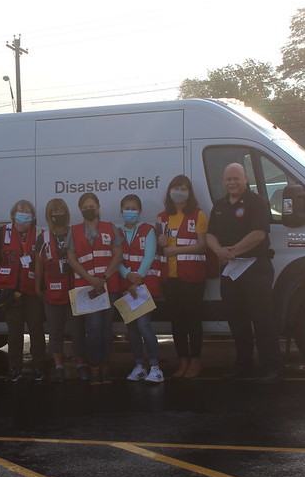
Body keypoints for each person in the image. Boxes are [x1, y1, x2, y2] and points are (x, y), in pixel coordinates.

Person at [207, 163, 282, 382]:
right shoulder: (219, 205)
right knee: (237, 321)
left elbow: (259, 234)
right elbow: (210, 234)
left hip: (255, 268)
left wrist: (233, 251)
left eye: (236, 178)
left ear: (246, 179)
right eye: (228, 179)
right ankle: (243, 365)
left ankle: (272, 367)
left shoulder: (256, 202)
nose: (232, 182)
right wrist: (218, 250)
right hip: (231, 271)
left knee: (262, 320)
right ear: (223, 181)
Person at [67, 192, 123, 384]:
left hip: (108, 286)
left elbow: (117, 255)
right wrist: (91, 279)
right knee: (93, 328)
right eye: (85, 207)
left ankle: (105, 366)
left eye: (92, 206)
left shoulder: (110, 228)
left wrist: (103, 277)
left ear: (98, 207)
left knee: (106, 329)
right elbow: (72, 259)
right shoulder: (74, 230)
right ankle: (94, 367)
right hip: (87, 288)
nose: (89, 209)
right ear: (80, 210)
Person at [157, 175, 208, 378]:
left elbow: (202, 246)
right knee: (176, 321)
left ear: (189, 193)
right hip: (170, 277)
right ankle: (183, 361)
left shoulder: (198, 215)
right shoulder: (162, 217)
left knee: (193, 319)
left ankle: (195, 361)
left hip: (193, 276)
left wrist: (175, 250)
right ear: (170, 191)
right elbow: (159, 247)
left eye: (183, 188)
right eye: (175, 188)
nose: (179, 191)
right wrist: (161, 242)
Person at [0, 200, 46, 382]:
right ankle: (14, 367)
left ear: (33, 215)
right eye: (21, 210)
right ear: (14, 214)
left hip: (32, 290)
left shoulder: (39, 234)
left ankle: (38, 366)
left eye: (28, 211)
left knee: (36, 330)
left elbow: (44, 262)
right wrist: (8, 277)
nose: (24, 213)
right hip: (10, 292)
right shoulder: (3, 232)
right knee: (14, 331)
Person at [34, 198, 85, 384]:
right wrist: (37, 287)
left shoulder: (75, 233)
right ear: (49, 215)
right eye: (54, 211)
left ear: (67, 213)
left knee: (78, 332)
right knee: (55, 332)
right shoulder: (43, 237)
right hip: (52, 292)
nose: (58, 213)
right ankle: (58, 367)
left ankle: (80, 365)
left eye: (61, 210)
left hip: (75, 291)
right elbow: (38, 264)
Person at [117, 194, 164, 383]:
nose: (130, 212)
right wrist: (127, 275)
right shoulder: (117, 232)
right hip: (126, 286)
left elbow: (149, 256)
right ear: (121, 211)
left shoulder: (148, 230)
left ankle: (155, 367)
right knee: (132, 329)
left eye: (134, 208)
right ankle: (139, 365)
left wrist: (136, 280)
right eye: (127, 208)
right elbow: (116, 259)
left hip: (143, 287)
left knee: (144, 327)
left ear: (139, 211)